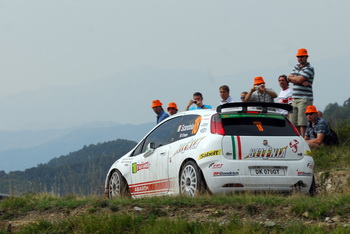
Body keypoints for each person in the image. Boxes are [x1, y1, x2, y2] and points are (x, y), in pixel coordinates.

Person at [288, 48, 315, 137]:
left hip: (304, 98)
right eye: (298, 56)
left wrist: (296, 79)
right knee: (293, 120)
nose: (300, 58)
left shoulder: (309, 68)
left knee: (302, 121)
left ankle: (304, 138)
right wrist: (298, 80)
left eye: (302, 56)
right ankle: (296, 137)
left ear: (306, 57)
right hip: (295, 98)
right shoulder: (296, 67)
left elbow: (298, 79)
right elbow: (289, 78)